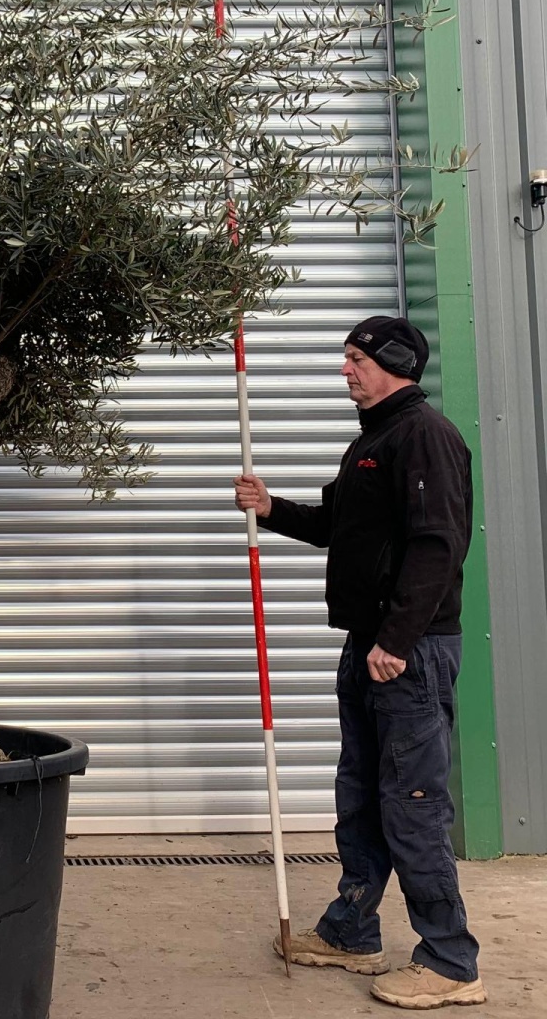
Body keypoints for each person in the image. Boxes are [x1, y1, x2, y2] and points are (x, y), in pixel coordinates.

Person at [234, 315, 485, 1010]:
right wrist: (272, 507)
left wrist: (397, 641)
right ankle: (352, 932)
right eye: (344, 358)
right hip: (369, 648)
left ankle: (451, 962)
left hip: (406, 653)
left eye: (356, 358)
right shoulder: (373, 441)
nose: (345, 370)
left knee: (412, 805)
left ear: (397, 361)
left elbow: (439, 546)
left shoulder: (425, 437)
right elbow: (336, 528)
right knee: (361, 796)